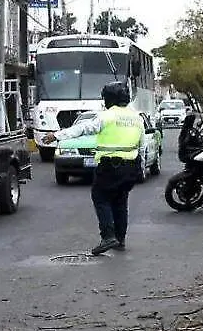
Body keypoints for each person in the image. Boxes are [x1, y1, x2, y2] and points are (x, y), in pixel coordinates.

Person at [43, 82, 143, 255]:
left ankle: (108, 236)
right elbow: (140, 143)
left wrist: (57, 135)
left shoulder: (107, 116)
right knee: (121, 201)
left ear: (110, 98)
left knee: (100, 197)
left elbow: (83, 128)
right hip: (131, 167)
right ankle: (120, 239)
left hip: (110, 166)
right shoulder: (137, 118)